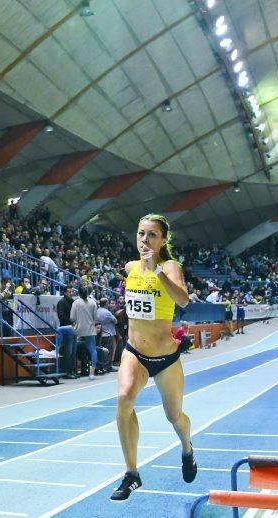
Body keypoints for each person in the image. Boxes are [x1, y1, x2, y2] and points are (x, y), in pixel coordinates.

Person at [111, 214, 194, 502]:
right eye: (141, 233)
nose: (144, 240)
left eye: (152, 235)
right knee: (124, 398)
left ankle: (186, 447)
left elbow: (183, 300)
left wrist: (157, 272)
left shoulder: (170, 266)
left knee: (174, 416)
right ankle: (131, 474)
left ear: (163, 240)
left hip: (165, 358)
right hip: (134, 351)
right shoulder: (130, 267)